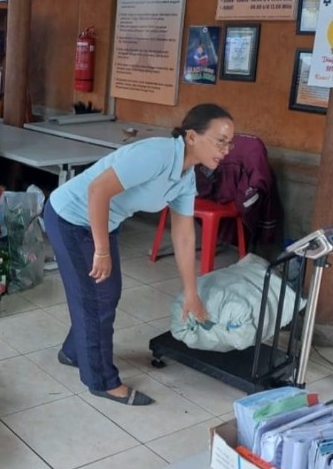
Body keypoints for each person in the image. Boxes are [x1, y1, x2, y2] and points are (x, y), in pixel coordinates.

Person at [44, 104, 234, 406]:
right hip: (70, 217)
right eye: (220, 140)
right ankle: (101, 381)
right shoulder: (157, 154)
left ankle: (74, 352)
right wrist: (102, 251)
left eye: (229, 142)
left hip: (102, 220)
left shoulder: (186, 177)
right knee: (98, 297)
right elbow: (97, 190)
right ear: (192, 137)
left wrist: (190, 293)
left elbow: (184, 235)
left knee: (106, 293)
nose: (226, 150)